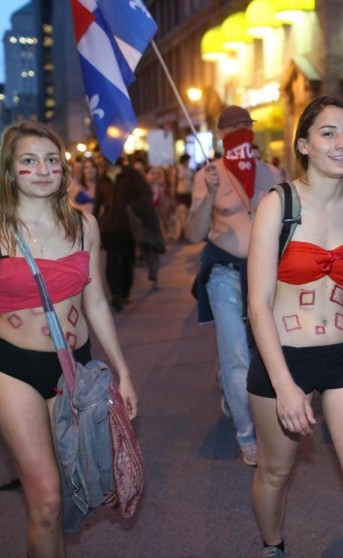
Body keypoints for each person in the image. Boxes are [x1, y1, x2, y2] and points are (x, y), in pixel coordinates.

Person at [247, 96, 343, 558]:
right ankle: (273, 545)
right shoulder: (278, 205)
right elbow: (258, 304)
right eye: (328, 133)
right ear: (304, 145)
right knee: (276, 471)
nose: (342, 143)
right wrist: (284, 386)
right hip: (283, 359)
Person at [0, 121, 137, 557]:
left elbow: (96, 304)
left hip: (73, 370)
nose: (43, 170)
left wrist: (123, 372)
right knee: (46, 499)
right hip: (12, 369)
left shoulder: (84, 225)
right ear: (10, 170)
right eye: (29, 160)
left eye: (52, 160)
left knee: (69, 492)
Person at [187, 105, 276, 467]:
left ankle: (234, 389)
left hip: (264, 272)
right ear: (221, 134)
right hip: (224, 272)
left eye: (246, 125)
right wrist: (209, 194)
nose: (242, 130)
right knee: (237, 354)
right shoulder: (209, 175)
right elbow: (193, 233)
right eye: (234, 126)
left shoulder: (271, 173)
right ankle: (247, 434)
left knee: (263, 350)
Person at [94, 156, 151, 312]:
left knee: (127, 261)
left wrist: (133, 207)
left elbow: (146, 193)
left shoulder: (131, 174)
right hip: (109, 227)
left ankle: (125, 292)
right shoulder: (103, 178)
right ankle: (115, 295)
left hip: (128, 226)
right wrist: (93, 224)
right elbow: (97, 203)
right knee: (112, 261)